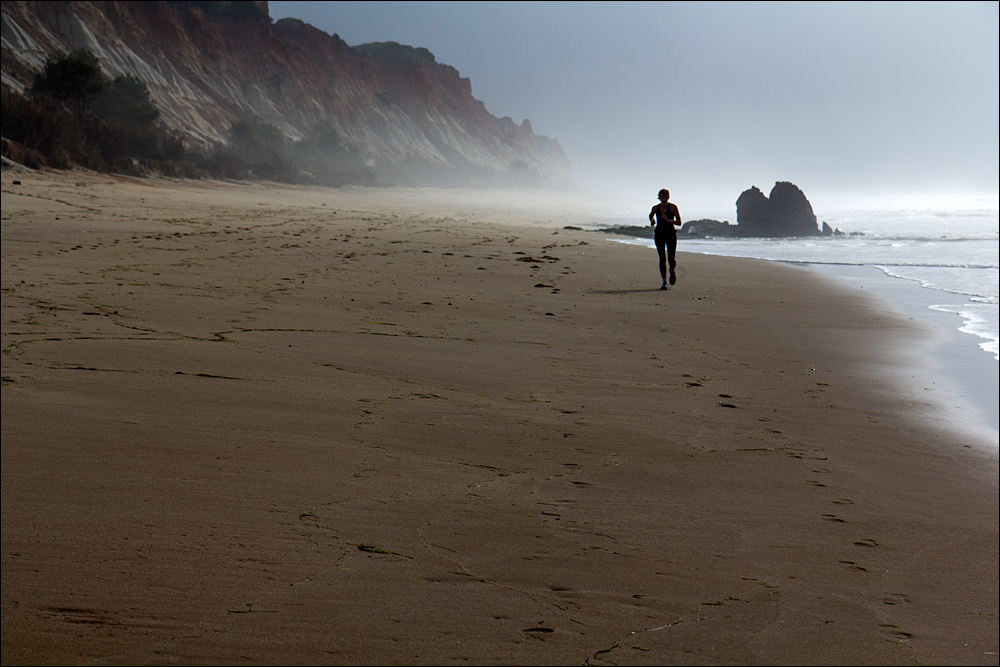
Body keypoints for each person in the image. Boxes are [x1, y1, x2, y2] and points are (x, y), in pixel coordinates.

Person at [649, 188, 682, 289]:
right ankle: (664, 282)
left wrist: (668, 220)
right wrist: (652, 221)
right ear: (659, 197)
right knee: (662, 258)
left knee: (671, 259)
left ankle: (672, 271)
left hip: (671, 234)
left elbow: (679, 222)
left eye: (666, 196)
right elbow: (650, 215)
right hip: (659, 234)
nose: (665, 198)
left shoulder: (673, 207)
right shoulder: (655, 208)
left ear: (669, 197)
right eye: (663, 197)